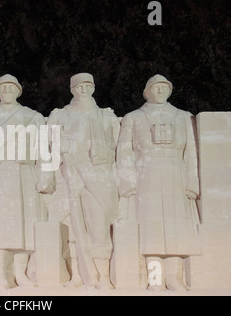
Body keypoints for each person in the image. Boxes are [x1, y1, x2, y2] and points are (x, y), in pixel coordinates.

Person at [0, 74, 55, 289]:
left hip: (22, 174)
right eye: (3, 87)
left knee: (24, 225)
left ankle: (20, 273)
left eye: (11, 87)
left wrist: (45, 176)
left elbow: (44, 150)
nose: (7, 90)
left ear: (18, 91)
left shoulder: (32, 117)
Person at [116, 74, 201, 291]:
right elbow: (124, 150)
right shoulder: (133, 117)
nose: (160, 91)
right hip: (146, 176)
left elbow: (191, 152)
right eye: (156, 87)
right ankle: (155, 279)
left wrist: (192, 180)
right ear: (147, 92)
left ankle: (173, 277)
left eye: (164, 87)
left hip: (176, 175)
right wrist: (127, 180)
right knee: (150, 227)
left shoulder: (183, 117)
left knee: (176, 228)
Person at [47, 73, 120, 289]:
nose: (83, 90)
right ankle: (79, 275)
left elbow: (115, 146)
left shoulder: (106, 116)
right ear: (72, 89)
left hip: (98, 176)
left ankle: (104, 276)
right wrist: (62, 148)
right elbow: (50, 146)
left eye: (87, 85)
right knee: (72, 227)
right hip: (69, 175)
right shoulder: (60, 116)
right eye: (78, 86)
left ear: (94, 88)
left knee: (98, 226)